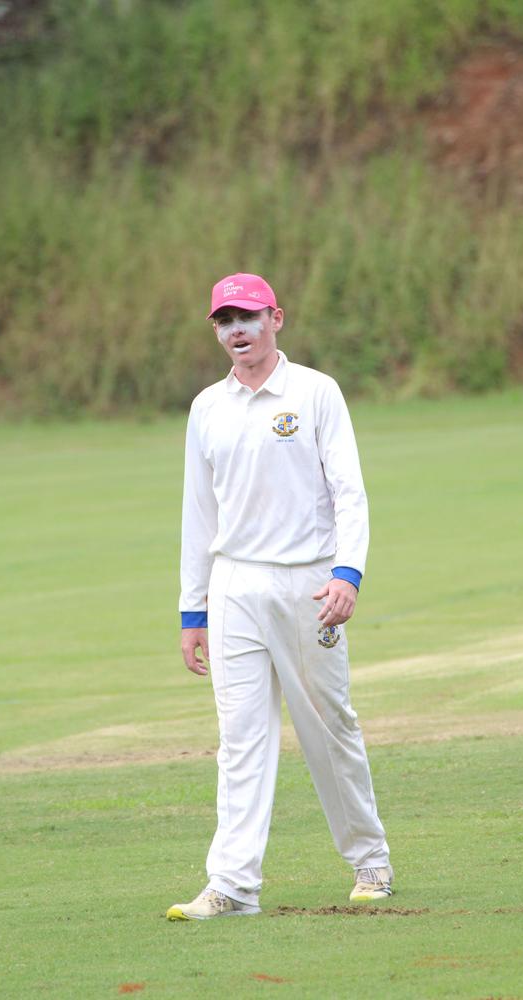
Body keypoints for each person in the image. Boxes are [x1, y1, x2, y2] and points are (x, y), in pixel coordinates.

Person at [167, 273, 391, 921]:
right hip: (233, 585)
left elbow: (348, 490)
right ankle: (232, 884)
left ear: (277, 320)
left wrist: (347, 572)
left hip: (307, 582)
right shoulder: (208, 406)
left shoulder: (315, 393)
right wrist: (193, 610)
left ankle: (370, 859)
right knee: (240, 738)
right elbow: (198, 514)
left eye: (248, 318)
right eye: (224, 321)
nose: (237, 331)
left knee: (329, 726)